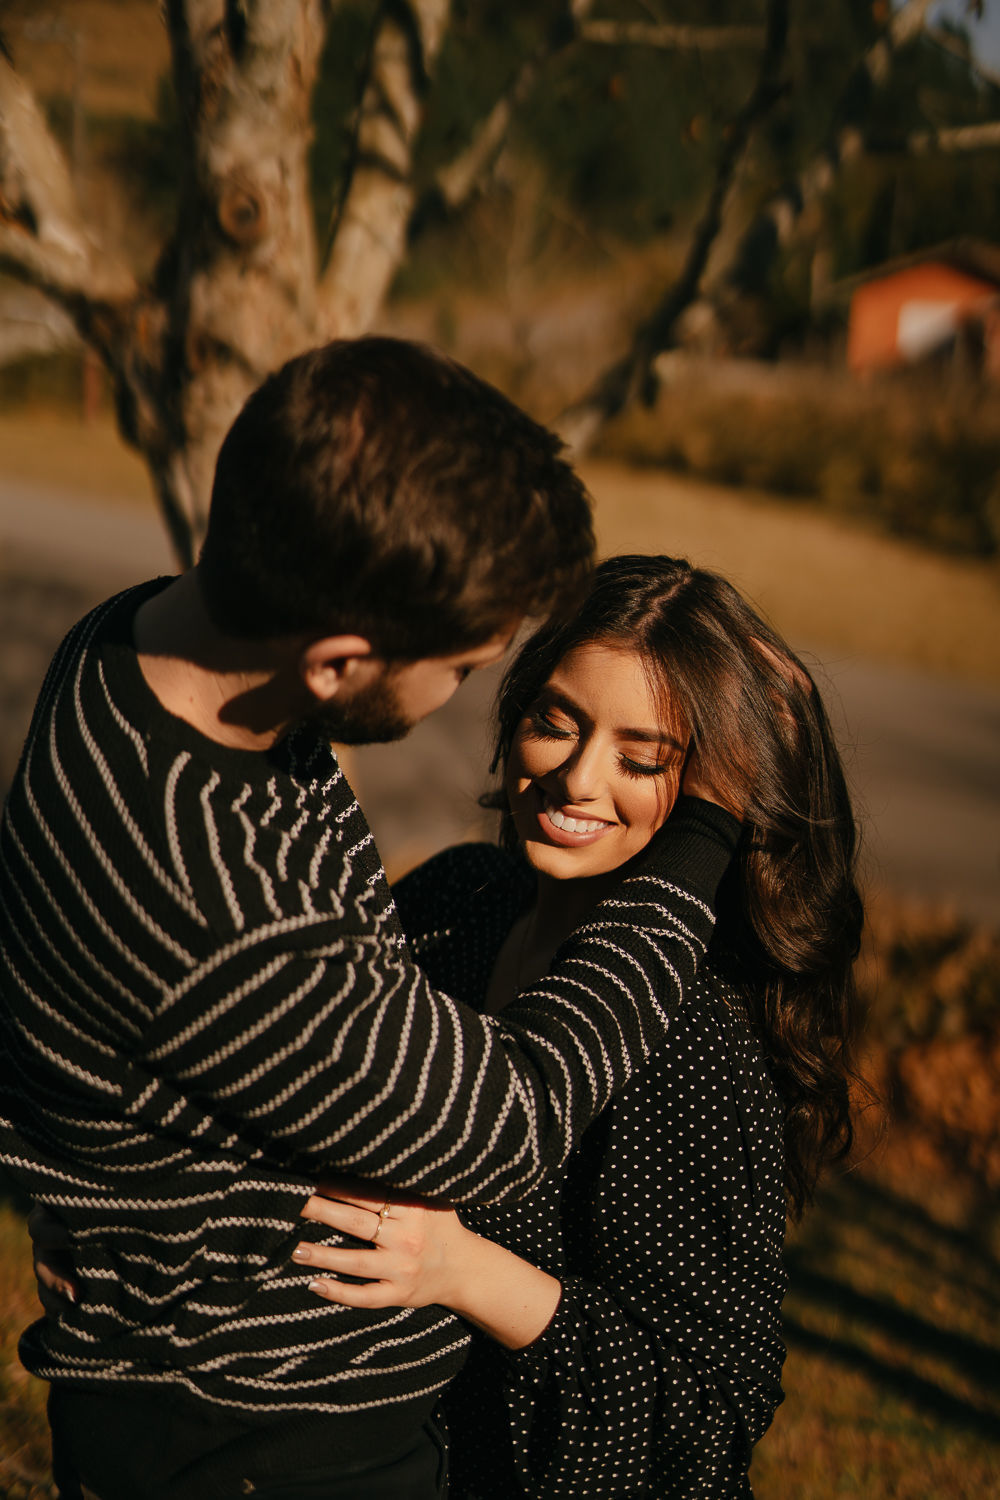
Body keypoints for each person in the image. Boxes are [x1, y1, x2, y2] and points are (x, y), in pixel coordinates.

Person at [2, 342, 742, 1500]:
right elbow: (507, 1120)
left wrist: (81, 1162)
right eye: (462, 667)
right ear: (336, 661)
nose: (467, 694)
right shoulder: (222, 907)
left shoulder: (131, 642)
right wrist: (702, 835)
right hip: (259, 1445)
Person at [288, 555, 866, 1497]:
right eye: (556, 722)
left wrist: (465, 1271)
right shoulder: (456, 902)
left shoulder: (691, 1044)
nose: (576, 779)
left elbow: (705, 1425)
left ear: (712, 801)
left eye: (641, 760)